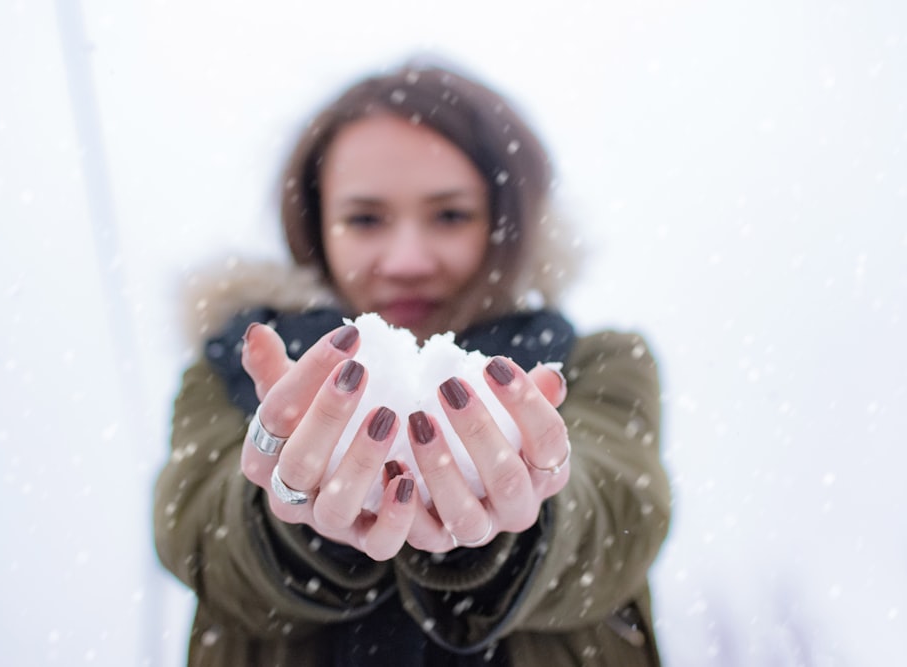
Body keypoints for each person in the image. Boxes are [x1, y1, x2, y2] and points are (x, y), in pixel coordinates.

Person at [154, 58, 671, 666]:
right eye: (365, 219)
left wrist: (522, 514)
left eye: (450, 215)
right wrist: (290, 522)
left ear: (508, 222)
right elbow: (196, 537)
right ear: (317, 227)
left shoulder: (596, 363)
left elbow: (619, 519)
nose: (405, 259)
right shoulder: (231, 370)